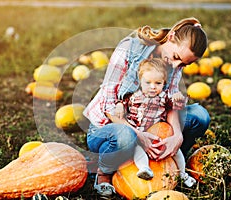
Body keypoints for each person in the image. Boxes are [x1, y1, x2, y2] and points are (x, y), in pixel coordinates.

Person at [84, 17, 210, 196]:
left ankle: (168, 163)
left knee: (199, 116)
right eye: (176, 58)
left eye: (183, 64)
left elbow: (171, 104)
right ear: (171, 37)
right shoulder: (130, 47)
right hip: (112, 127)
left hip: (148, 122)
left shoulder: (175, 62)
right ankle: (103, 172)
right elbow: (109, 104)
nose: (176, 65)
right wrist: (138, 135)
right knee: (125, 137)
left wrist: (177, 135)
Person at [107, 58, 196, 187]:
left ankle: (182, 174)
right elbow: (121, 102)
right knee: (137, 150)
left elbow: (175, 106)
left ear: (164, 83)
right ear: (140, 82)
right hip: (139, 134)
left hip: (157, 134)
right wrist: (120, 105)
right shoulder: (134, 96)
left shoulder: (164, 97)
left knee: (177, 152)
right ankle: (144, 169)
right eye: (148, 82)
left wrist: (179, 99)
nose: (153, 87)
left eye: (158, 83)